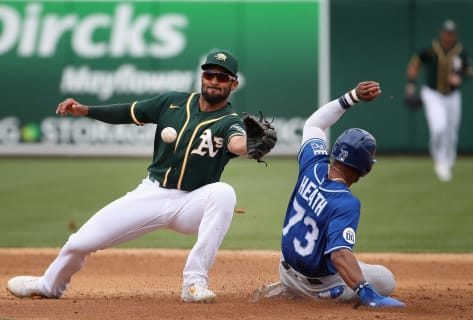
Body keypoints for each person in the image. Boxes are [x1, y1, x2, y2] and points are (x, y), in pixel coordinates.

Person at [7, 50, 274, 303]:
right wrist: (86, 110)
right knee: (80, 243)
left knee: (223, 192)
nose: (214, 81)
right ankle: (48, 285)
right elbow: (128, 111)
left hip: (193, 202)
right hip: (153, 193)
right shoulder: (172, 102)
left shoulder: (231, 120)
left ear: (234, 84)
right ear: (202, 76)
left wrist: (251, 146)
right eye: (209, 74)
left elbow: (237, 143)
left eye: (222, 77)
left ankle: (194, 282)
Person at [252, 81, 405, 308]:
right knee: (385, 278)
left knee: (343, 256)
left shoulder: (313, 165)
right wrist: (366, 293)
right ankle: (326, 294)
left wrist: (352, 97)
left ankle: (289, 287)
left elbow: (314, 124)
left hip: (286, 270)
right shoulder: (346, 202)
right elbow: (340, 255)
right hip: (318, 287)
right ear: (366, 167)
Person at [405, 19, 473, 182]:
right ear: (441, 33)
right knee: (439, 128)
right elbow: (415, 63)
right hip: (432, 94)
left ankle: (448, 162)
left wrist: (460, 78)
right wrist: (410, 85)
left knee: (451, 132)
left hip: (452, 96)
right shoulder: (431, 50)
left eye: (451, 33)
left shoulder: (460, 51)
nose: (449, 36)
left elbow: (469, 70)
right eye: (446, 32)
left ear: (455, 34)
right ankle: (440, 159)